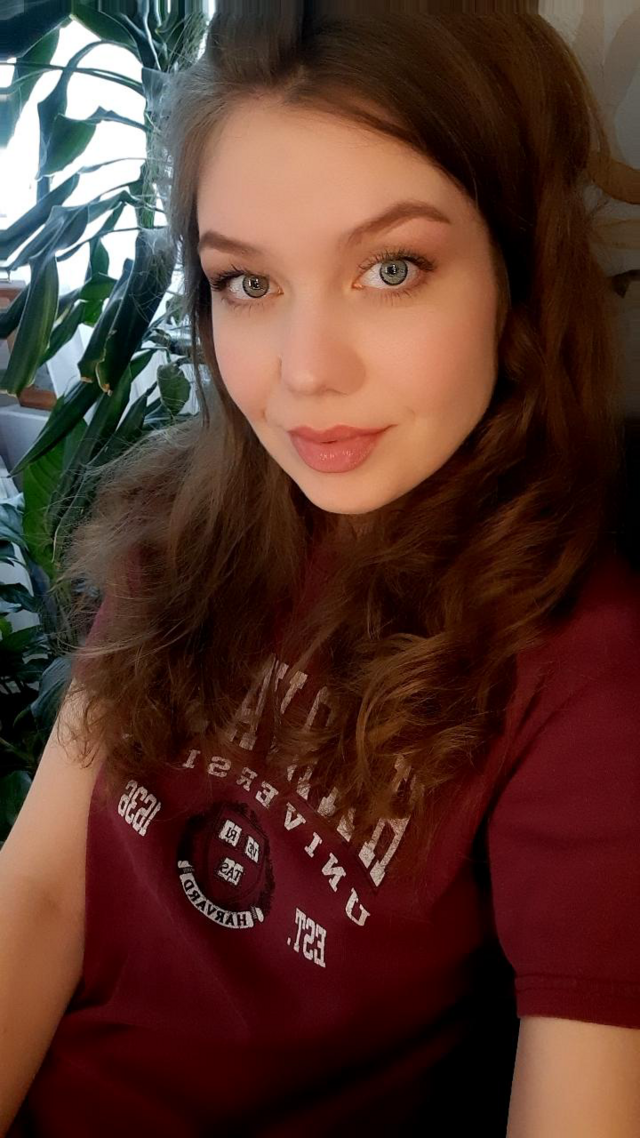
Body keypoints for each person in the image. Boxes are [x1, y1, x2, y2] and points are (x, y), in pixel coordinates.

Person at [2, 4, 640, 1135]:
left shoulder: (585, 667)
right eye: (247, 283)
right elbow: (44, 890)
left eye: (391, 269)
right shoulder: (178, 522)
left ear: (518, 271)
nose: (303, 374)